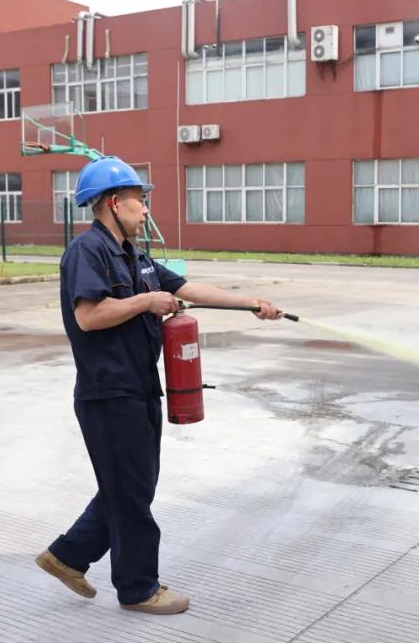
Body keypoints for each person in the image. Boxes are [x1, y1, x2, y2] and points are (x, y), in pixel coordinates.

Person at [35, 156, 283, 615]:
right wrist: (146, 301)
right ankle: (138, 588)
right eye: (139, 200)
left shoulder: (136, 255)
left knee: (132, 485)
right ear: (114, 202)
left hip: (141, 387)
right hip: (108, 391)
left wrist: (249, 302)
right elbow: (88, 316)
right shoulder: (87, 251)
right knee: (131, 493)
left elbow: (189, 288)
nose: (146, 209)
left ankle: (67, 556)